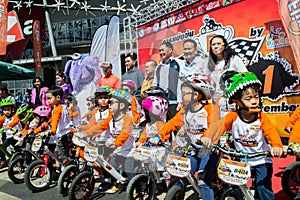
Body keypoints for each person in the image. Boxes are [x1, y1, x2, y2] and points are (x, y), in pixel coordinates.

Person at [201, 72, 283, 200]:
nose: (254, 101)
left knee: (263, 189)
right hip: (242, 160)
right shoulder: (233, 116)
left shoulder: (261, 117)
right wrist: (208, 137)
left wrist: (276, 146)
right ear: (237, 101)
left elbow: (271, 133)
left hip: (261, 160)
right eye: (248, 98)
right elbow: (218, 127)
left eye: (256, 97)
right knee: (233, 185)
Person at [154, 72, 216, 200]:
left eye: (184, 93)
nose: (181, 96)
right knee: (179, 173)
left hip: (209, 152)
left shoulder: (210, 109)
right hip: (193, 151)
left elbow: (214, 127)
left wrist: (206, 137)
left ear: (196, 95)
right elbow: (172, 124)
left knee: (203, 180)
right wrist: (159, 136)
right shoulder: (185, 110)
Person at [85, 89, 134, 193]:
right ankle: (117, 183)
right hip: (117, 150)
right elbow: (101, 126)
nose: (109, 104)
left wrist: (115, 143)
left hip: (129, 150)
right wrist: (86, 133)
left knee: (130, 170)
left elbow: (125, 134)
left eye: (111, 102)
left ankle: (136, 188)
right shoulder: (111, 117)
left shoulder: (127, 118)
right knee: (111, 166)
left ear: (121, 106)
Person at [206, 35, 247, 102]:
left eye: (218, 44)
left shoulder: (234, 59)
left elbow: (245, 76)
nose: (216, 46)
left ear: (224, 45)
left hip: (232, 100)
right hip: (215, 102)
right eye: (213, 45)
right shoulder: (209, 64)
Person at [46, 87, 72, 174]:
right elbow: (51, 121)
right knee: (62, 152)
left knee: (58, 151)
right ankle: (63, 170)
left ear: (58, 98)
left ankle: (69, 166)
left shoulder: (57, 109)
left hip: (64, 134)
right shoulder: (62, 107)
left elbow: (55, 121)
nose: (48, 101)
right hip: (67, 132)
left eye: (49, 98)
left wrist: (52, 131)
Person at [152, 41, 181, 121]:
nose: (161, 53)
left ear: (170, 50)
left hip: (173, 100)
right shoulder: (158, 67)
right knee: (163, 125)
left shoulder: (177, 64)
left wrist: (180, 101)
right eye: (160, 51)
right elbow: (155, 83)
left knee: (174, 125)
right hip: (161, 101)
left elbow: (180, 83)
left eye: (163, 50)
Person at [0, 98, 22, 168]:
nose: (6, 112)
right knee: (2, 148)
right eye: (4, 110)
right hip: (9, 137)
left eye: (8, 110)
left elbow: (15, 121)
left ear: (12, 109)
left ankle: (20, 162)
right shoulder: (3, 117)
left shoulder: (15, 116)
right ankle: (3, 161)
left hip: (17, 136)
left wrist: (8, 126)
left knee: (18, 150)